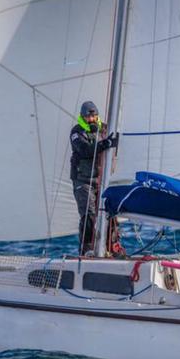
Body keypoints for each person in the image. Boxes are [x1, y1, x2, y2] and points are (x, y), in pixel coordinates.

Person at [70, 101, 118, 255]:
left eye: (93, 115)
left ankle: (112, 247)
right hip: (83, 181)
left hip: (102, 182)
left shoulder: (105, 129)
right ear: (82, 117)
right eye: (87, 116)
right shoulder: (76, 132)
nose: (91, 119)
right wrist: (105, 144)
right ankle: (87, 249)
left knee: (109, 215)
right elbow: (85, 150)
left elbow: (114, 144)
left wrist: (115, 142)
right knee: (89, 216)